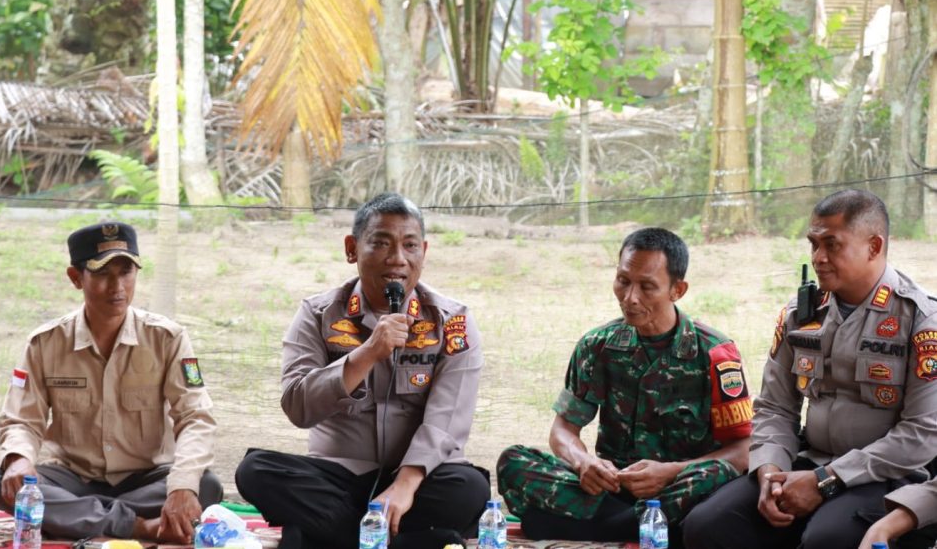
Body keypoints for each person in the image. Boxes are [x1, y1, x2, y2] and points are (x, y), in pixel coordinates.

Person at [683, 189, 937, 549]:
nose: (818, 257)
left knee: (826, 540)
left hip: (887, 476)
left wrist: (826, 480)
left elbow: (922, 434)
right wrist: (769, 472)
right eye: (814, 244)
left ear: (874, 246)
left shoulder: (920, 319)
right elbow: (775, 407)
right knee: (707, 525)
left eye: (832, 245)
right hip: (808, 461)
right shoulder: (801, 314)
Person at [234, 193, 490, 549]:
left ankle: (326, 537)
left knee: (470, 488)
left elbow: (447, 419)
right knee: (256, 471)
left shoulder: (452, 321)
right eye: (381, 243)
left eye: (410, 245)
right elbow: (297, 406)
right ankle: (411, 543)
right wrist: (367, 353)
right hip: (337, 477)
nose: (397, 258)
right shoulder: (317, 313)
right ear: (352, 249)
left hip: (417, 482)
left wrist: (405, 484)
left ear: (424, 251)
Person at [496, 227, 752, 543]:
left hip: (679, 486)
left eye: (647, 286)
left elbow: (743, 451)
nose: (630, 298)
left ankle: (597, 525)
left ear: (677, 290)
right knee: (513, 461)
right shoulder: (597, 345)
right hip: (611, 488)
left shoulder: (714, 353)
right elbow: (562, 430)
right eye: (623, 281)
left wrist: (669, 472)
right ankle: (645, 525)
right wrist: (584, 463)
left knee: (717, 475)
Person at [0, 222, 221, 544]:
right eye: (103, 273)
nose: (117, 287)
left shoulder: (167, 339)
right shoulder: (45, 343)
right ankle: (137, 526)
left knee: (205, 485)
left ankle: (77, 518)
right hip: (73, 479)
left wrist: (182, 486)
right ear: (76, 278)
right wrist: (20, 459)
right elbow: (22, 419)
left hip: (145, 478)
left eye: (126, 272)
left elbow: (195, 417)